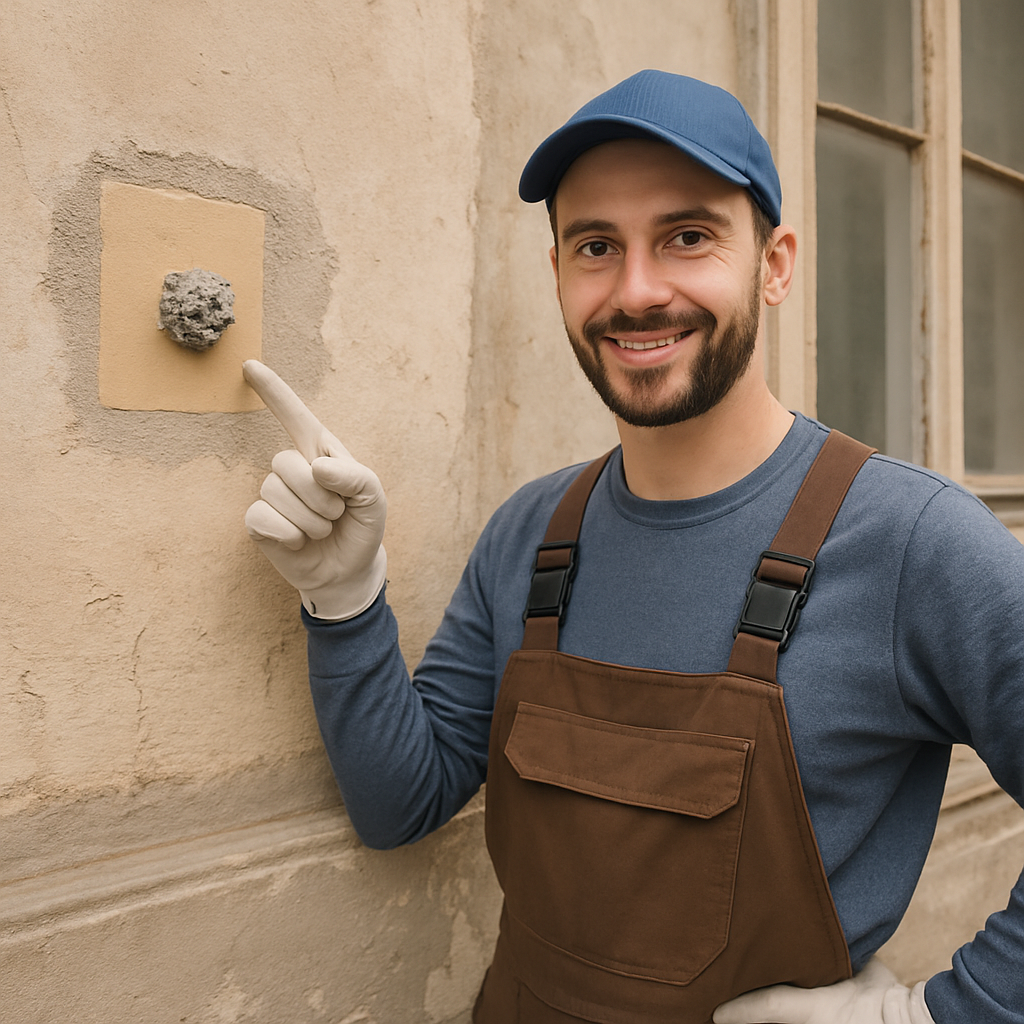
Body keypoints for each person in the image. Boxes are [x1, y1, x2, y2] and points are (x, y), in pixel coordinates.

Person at [243, 71, 1024, 1023]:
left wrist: (939, 1017)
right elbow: (399, 804)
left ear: (774, 265)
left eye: (687, 236)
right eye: (596, 247)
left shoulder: (915, 543)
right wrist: (344, 599)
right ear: (561, 277)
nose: (637, 290)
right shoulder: (531, 533)